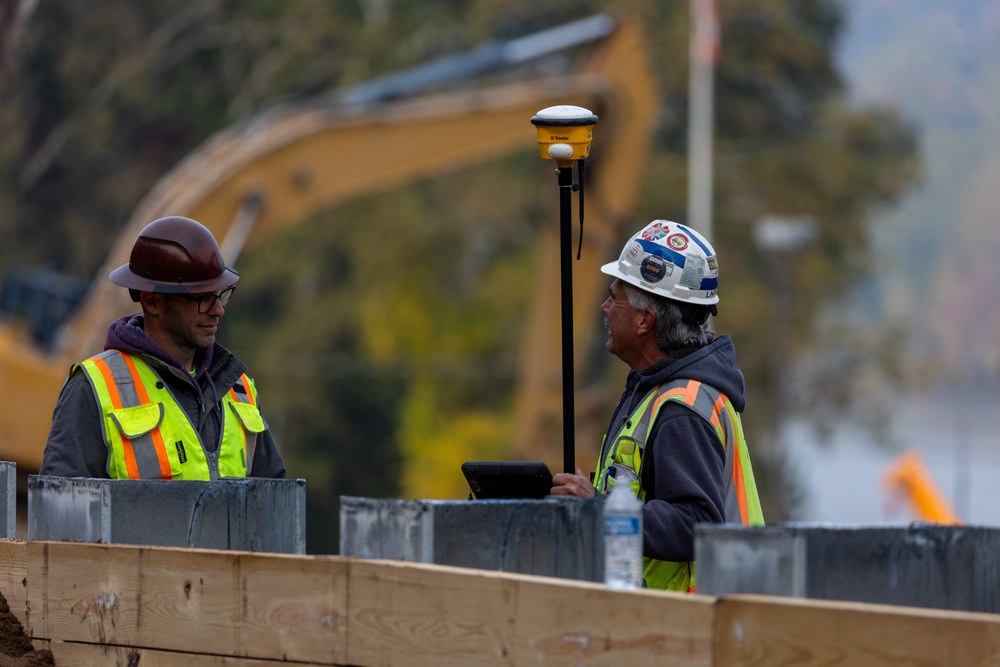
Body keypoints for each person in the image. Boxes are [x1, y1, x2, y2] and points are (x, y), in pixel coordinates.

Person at [551, 219, 763, 591]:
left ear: (644, 320)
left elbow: (694, 523)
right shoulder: (655, 390)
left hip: (698, 623)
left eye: (614, 297)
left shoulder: (681, 407)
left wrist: (598, 509)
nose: (603, 307)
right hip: (670, 619)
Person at [40, 215, 286, 480]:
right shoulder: (92, 389)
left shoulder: (241, 391)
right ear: (153, 302)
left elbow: (274, 505)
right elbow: (60, 512)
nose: (218, 310)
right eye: (202, 298)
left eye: (221, 295)